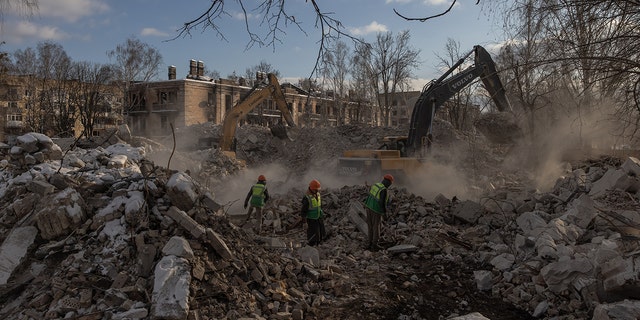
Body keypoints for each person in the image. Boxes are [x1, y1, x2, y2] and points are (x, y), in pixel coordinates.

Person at [364, 174, 394, 251]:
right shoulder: (383, 190)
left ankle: (369, 243)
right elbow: (382, 203)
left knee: (370, 226)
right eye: (390, 184)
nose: (390, 185)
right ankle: (375, 245)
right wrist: (384, 213)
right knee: (376, 227)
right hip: (375, 210)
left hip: (368, 207)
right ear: (388, 182)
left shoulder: (376, 185)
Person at [300, 179, 326, 246]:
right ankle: (311, 245)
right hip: (311, 219)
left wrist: (322, 213)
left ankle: (319, 243)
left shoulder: (317, 194)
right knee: (313, 233)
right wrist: (304, 222)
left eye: (318, 190)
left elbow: (319, 206)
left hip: (318, 217)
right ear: (311, 189)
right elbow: (303, 211)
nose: (317, 191)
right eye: (315, 190)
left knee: (320, 232)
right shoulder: (307, 198)